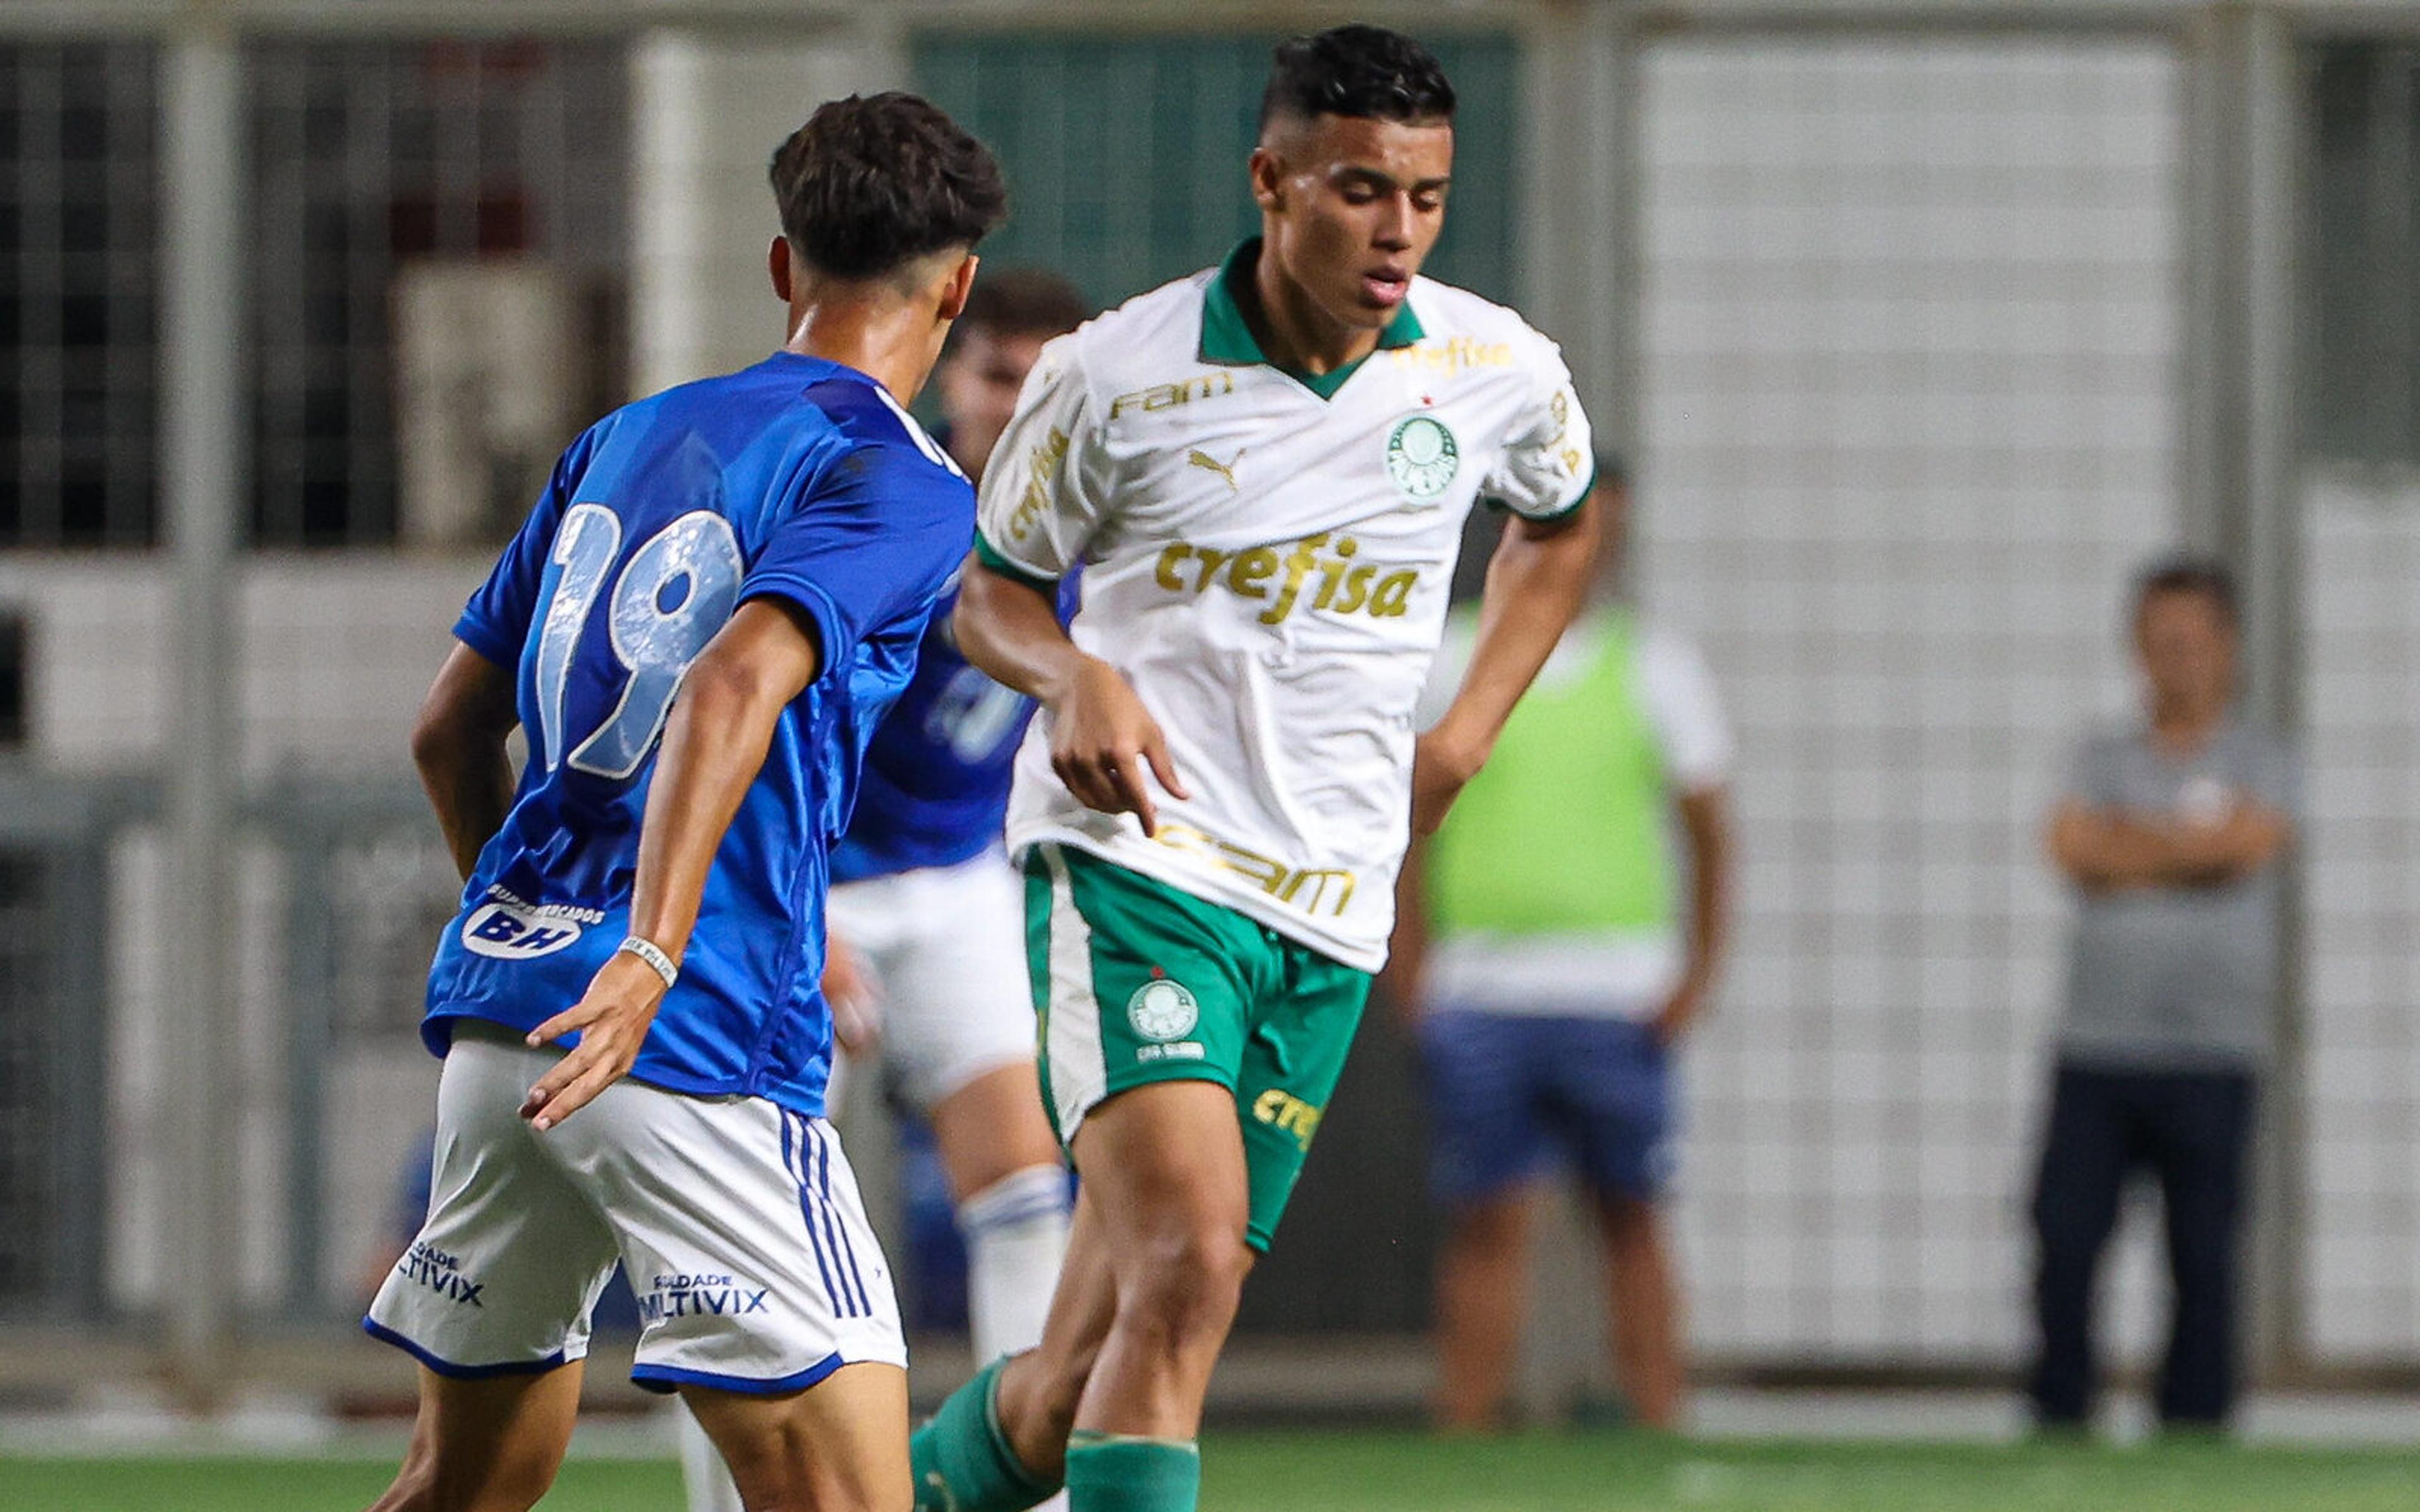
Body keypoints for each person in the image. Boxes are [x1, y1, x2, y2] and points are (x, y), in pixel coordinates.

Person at [909, 25, 1599, 1512]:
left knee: (1064, 1384)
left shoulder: (1491, 367)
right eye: (1361, 191)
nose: (1398, 231)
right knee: (1190, 1261)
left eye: (1425, 196)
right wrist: (1074, 671)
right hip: (1142, 866)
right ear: (1271, 181)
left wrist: (1468, 731)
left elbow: (1564, 517)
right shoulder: (1114, 374)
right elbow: (989, 593)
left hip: (1330, 902)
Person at [360, 92, 1004, 1512]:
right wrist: (645, 954)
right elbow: (728, 685)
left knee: (454, 1491)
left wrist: (552, 934)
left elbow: (446, 730)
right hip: (696, 1032)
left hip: (510, 1026)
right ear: (958, 286)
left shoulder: (625, 436)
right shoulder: (899, 479)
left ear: (785, 266)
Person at [679, 271, 1090, 1512]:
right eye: (997, 370)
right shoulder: (897, 506)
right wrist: (798, 920)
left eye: (1044, 377)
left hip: (956, 880)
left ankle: (1038, 1490)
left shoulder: (1088, 524)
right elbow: (758, 712)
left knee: (1025, 1188)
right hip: (809, 888)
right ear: (956, 373)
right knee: (738, 1229)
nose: (1017, 399)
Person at [1388, 462, 1733, 1431]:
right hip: (1482, 991)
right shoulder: (1446, 658)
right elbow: (1403, 829)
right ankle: (1465, 1424)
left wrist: (1695, 975)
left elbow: (1712, 832)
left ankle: (1662, 1421)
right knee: (1485, 1218)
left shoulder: (1657, 665)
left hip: (1618, 994)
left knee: (1631, 1217)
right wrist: (1412, 973)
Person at [2030, 558, 2296, 1434]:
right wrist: (2187, 847)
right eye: (2157, 640)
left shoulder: (2262, 755)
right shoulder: (2098, 752)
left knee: (2204, 1257)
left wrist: (2130, 848)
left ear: (2226, 648)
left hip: (2214, 1051)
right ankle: (2059, 1416)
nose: (2173, 658)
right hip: (2098, 1046)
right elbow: (2072, 848)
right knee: (2065, 1242)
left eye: (2190, 641)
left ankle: (2196, 1430)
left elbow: (2246, 845)